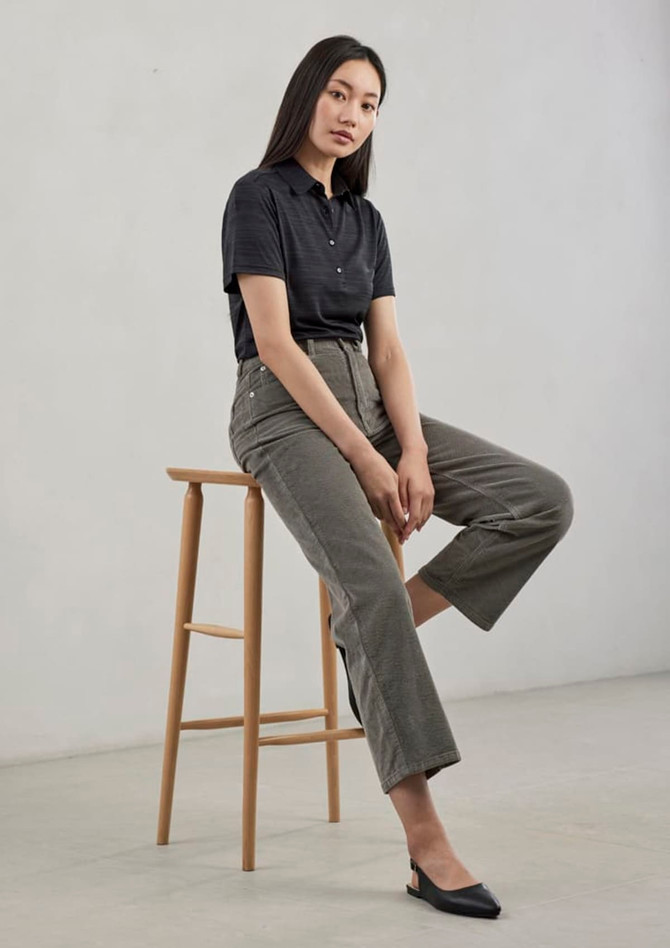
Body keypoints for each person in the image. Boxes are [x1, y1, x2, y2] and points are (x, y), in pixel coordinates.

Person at [221, 34, 574, 919]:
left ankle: (377, 621)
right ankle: (428, 849)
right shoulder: (256, 198)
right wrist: (365, 454)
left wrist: (409, 448)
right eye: (339, 93)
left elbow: (387, 347)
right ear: (308, 94)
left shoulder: (366, 220)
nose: (351, 114)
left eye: (369, 104)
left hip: (371, 402)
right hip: (282, 404)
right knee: (369, 591)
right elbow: (274, 342)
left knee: (539, 501)